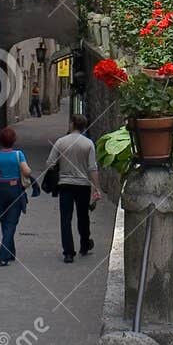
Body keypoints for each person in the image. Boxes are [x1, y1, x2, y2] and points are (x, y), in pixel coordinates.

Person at [44, 113, 99, 263]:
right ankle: (84, 244)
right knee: (83, 216)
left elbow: (50, 163)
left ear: (72, 124)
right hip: (83, 185)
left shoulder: (61, 142)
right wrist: (96, 188)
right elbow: (93, 168)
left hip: (65, 185)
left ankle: (68, 252)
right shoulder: (88, 144)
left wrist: (60, 167)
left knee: (65, 219)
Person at [0, 126, 32, 267]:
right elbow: (27, 171)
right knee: (11, 223)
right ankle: (3, 256)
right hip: (14, 189)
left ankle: (11, 252)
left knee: (4, 221)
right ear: (13, 141)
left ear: (0, 141)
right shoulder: (18, 155)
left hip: (1, 190)